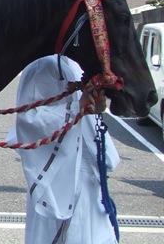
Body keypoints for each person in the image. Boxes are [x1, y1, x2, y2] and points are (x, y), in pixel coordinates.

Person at [8, 55, 120, 244]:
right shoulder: (41, 66)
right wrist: (79, 106)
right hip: (60, 178)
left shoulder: (73, 63)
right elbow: (30, 120)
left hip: (86, 175)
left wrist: (91, 103)